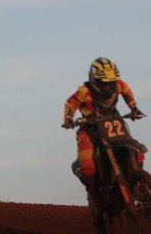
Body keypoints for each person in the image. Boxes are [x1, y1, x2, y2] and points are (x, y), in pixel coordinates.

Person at [61, 57, 145, 220]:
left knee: (138, 149)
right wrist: (69, 118)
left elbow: (127, 92)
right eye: (104, 82)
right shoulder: (84, 91)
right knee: (88, 166)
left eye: (111, 82)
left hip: (114, 124)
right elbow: (70, 103)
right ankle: (93, 196)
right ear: (94, 79)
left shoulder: (119, 84)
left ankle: (137, 182)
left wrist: (134, 108)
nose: (108, 86)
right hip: (90, 130)